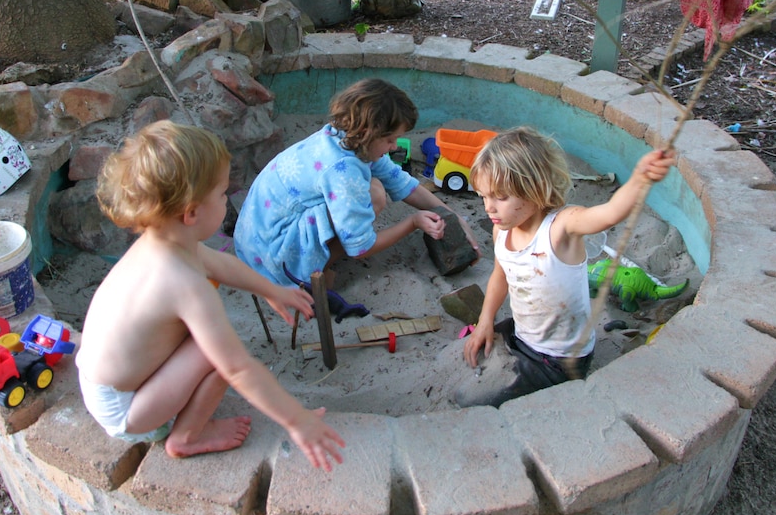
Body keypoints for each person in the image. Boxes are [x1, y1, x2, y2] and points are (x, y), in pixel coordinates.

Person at [76, 120, 345, 470]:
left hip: (106, 380)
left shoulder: (164, 244)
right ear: (191, 213)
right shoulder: (184, 283)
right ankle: (186, 437)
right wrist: (297, 420)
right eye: (221, 194)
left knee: (209, 344)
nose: (226, 199)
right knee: (219, 354)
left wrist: (273, 290)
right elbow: (238, 369)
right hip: (127, 409)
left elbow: (219, 264)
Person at [459, 126, 675, 408]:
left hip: (559, 358)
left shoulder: (562, 227)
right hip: (524, 333)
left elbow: (609, 214)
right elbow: (500, 276)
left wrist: (639, 178)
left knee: (482, 403)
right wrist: (485, 320)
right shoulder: (502, 231)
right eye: (483, 196)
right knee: (479, 343)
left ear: (533, 189)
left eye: (501, 197)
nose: (489, 208)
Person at [234, 78, 479, 289]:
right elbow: (361, 248)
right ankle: (309, 274)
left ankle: (314, 258)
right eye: (390, 140)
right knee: (373, 195)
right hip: (273, 261)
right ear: (367, 133)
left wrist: (453, 216)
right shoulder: (343, 171)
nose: (394, 147)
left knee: (373, 188)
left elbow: (403, 183)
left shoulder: (343, 137)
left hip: (254, 240)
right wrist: (412, 223)